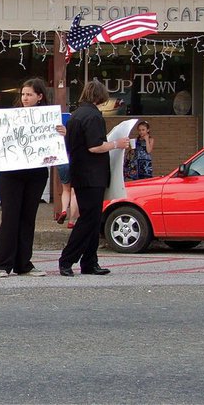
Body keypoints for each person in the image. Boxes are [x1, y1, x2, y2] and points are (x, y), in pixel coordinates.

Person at [0, 79, 65, 278]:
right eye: (23, 94)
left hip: (35, 174)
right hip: (10, 173)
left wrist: (62, 132)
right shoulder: (10, 116)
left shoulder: (48, 118)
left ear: (39, 96)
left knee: (27, 218)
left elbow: (57, 143)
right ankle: (2, 264)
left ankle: (23, 263)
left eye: (29, 94)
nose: (25, 98)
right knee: (10, 218)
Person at [58, 80, 130, 277]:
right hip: (92, 174)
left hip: (80, 172)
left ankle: (90, 261)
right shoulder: (93, 116)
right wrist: (117, 143)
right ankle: (67, 259)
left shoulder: (76, 116)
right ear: (100, 96)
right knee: (88, 220)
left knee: (92, 219)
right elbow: (95, 146)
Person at [55, 163, 79, 229]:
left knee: (65, 190)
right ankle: (72, 221)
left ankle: (64, 211)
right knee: (74, 193)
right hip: (75, 162)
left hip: (63, 164)